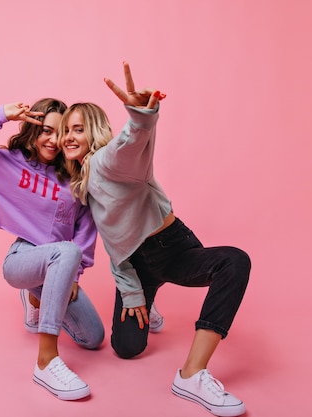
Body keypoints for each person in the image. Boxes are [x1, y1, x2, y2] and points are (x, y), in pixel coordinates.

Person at [59, 63, 251, 416]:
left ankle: (192, 374)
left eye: (78, 129)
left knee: (235, 261)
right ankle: (151, 299)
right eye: (64, 130)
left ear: (94, 133)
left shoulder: (106, 162)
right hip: (137, 264)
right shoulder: (82, 184)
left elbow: (130, 144)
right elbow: (113, 243)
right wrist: (131, 288)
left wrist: (141, 115)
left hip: (172, 249)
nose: (68, 136)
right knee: (127, 348)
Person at [0, 98, 104, 401]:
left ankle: (36, 296)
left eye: (59, 134)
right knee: (67, 252)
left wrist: (75, 274)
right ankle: (46, 361)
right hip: (23, 259)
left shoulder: (72, 177)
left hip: (61, 264)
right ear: (33, 131)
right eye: (46, 131)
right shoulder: (6, 164)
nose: (53, 140)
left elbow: (86, 225)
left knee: (93, 338)